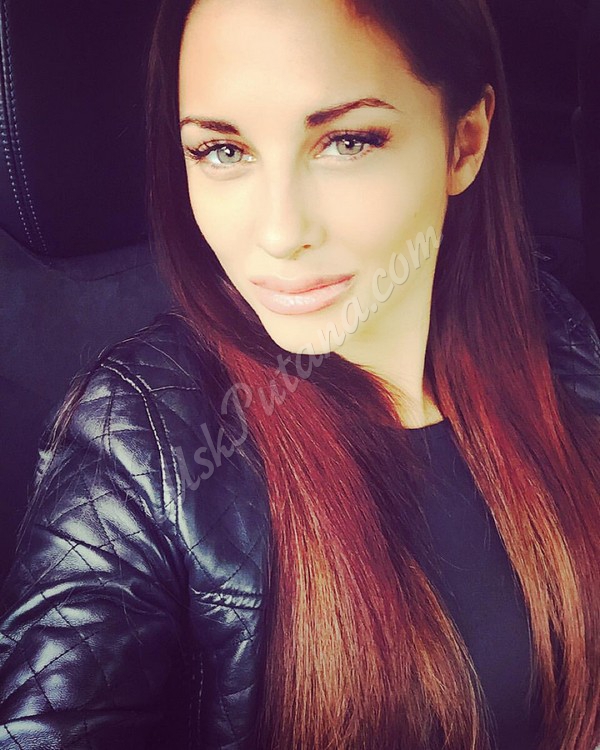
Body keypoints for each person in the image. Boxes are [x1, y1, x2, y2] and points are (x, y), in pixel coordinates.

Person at [0, 0, 599, 748]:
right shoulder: (137, 436)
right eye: (222, 151)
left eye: (345, 142)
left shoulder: (552, 334)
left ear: (464, 144)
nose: (281, 233)